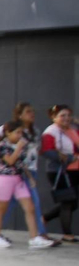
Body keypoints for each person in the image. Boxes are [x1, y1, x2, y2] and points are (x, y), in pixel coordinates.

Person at [0, 118, 56, 249]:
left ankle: (34, 237)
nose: (20, 136)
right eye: (17, 132)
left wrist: (30, 177)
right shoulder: (1, 146)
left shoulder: (19, 147)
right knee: (1, 209)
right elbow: (10, 161)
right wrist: (19, 148)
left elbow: (21, 163)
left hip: (18, 179)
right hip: (5, 179)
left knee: (30, 207)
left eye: (21, 132)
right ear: (8, 132)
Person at [41, 103, 78, 242]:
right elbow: (47, 151)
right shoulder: (51, 131)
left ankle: (45, 218)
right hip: (59, 171)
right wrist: (68, 157)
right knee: (67, 202)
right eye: (62, 115)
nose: (66, 118)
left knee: (73, 203)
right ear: (53, 117)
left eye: (69, 115)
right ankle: (67, 234)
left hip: (74, 170)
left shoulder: (72, 130)